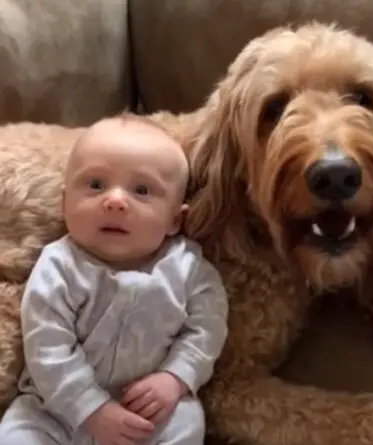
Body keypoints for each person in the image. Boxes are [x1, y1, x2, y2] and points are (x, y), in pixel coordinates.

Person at [0, 114, 229, 445]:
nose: (115, 201)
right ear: (65, 204)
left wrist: (175, 377)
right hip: (55, 410)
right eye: (95, 185)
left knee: (186, 422)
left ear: (175, 220)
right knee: (17, 433)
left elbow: (207, 329)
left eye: (141, 190)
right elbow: (47, 346)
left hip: (145, 410)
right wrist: (91, 410)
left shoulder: (189, 269)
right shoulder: (58, 266)